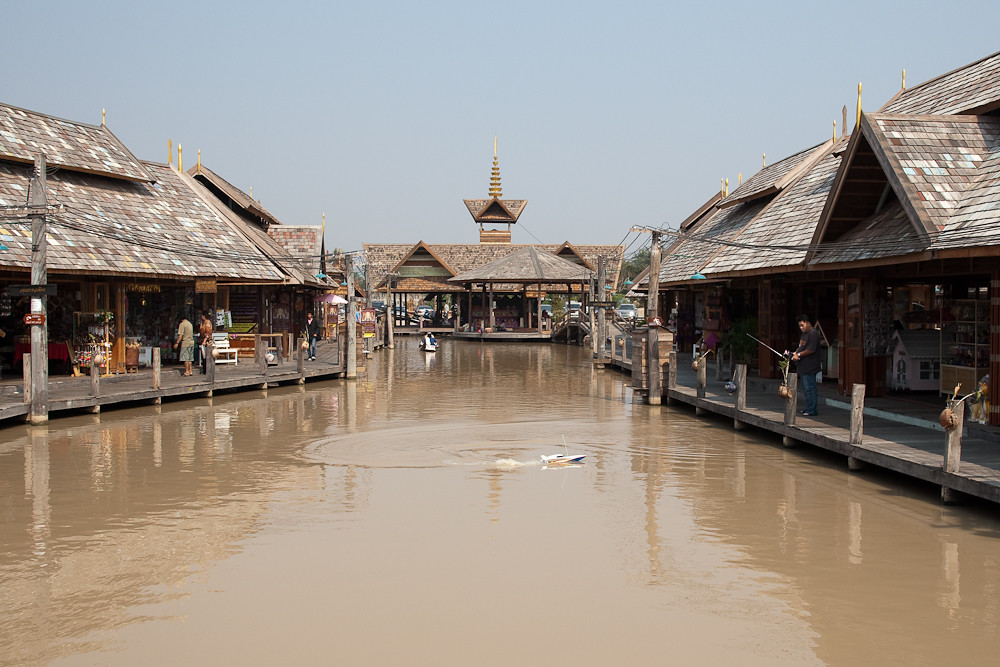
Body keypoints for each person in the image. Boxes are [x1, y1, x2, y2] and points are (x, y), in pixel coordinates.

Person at [791, 314, 821, 416]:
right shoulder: (803, 334)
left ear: (808, 323)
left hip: (810, 366)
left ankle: (812, 410)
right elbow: (800, 347)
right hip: (803, 366)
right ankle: (809, 408)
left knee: (810, 388)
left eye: (802, 325)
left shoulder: (814, 333)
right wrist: (794, 353)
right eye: (799, 326)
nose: (801, 328)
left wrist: (798, 354)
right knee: (805, 389)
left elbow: (810, 350)